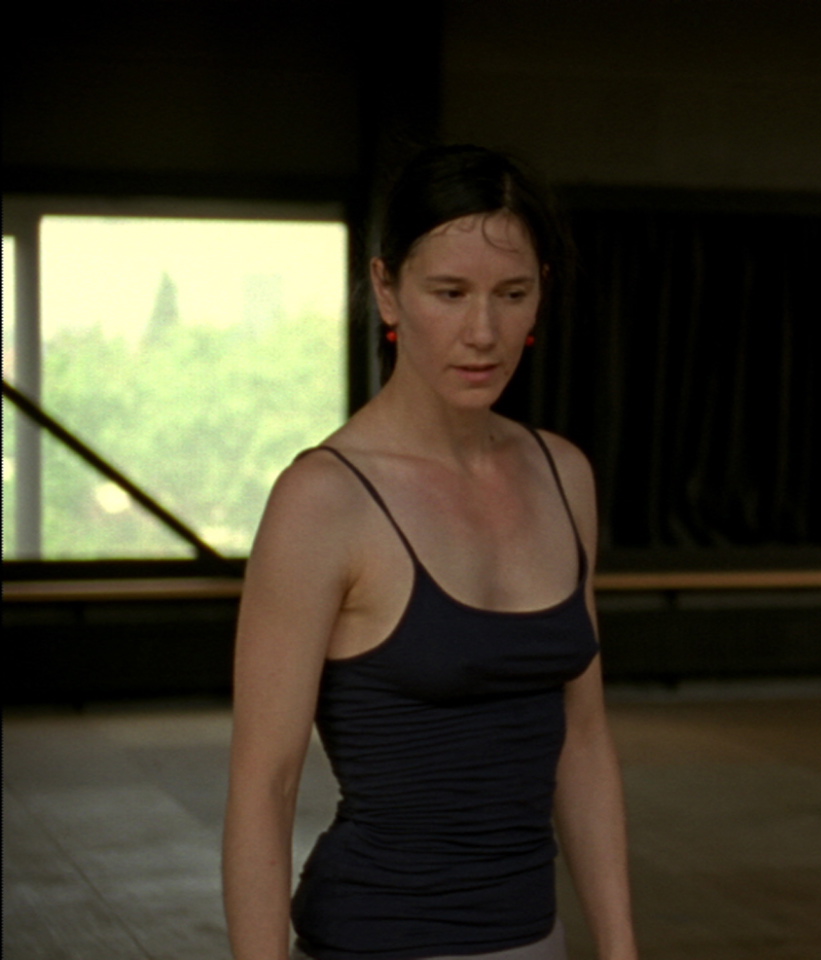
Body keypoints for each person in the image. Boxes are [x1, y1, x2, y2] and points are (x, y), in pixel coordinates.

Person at [223, 145, 638, 960]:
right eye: (448, 293)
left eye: (510, 294)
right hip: (375, 940)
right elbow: (264, 786)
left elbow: (584, 744)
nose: (482, 333)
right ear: (387, 289)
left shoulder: (563, 474)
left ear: (540, 291)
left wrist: (620, 949)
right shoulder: (323, 499)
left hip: (535, 939)